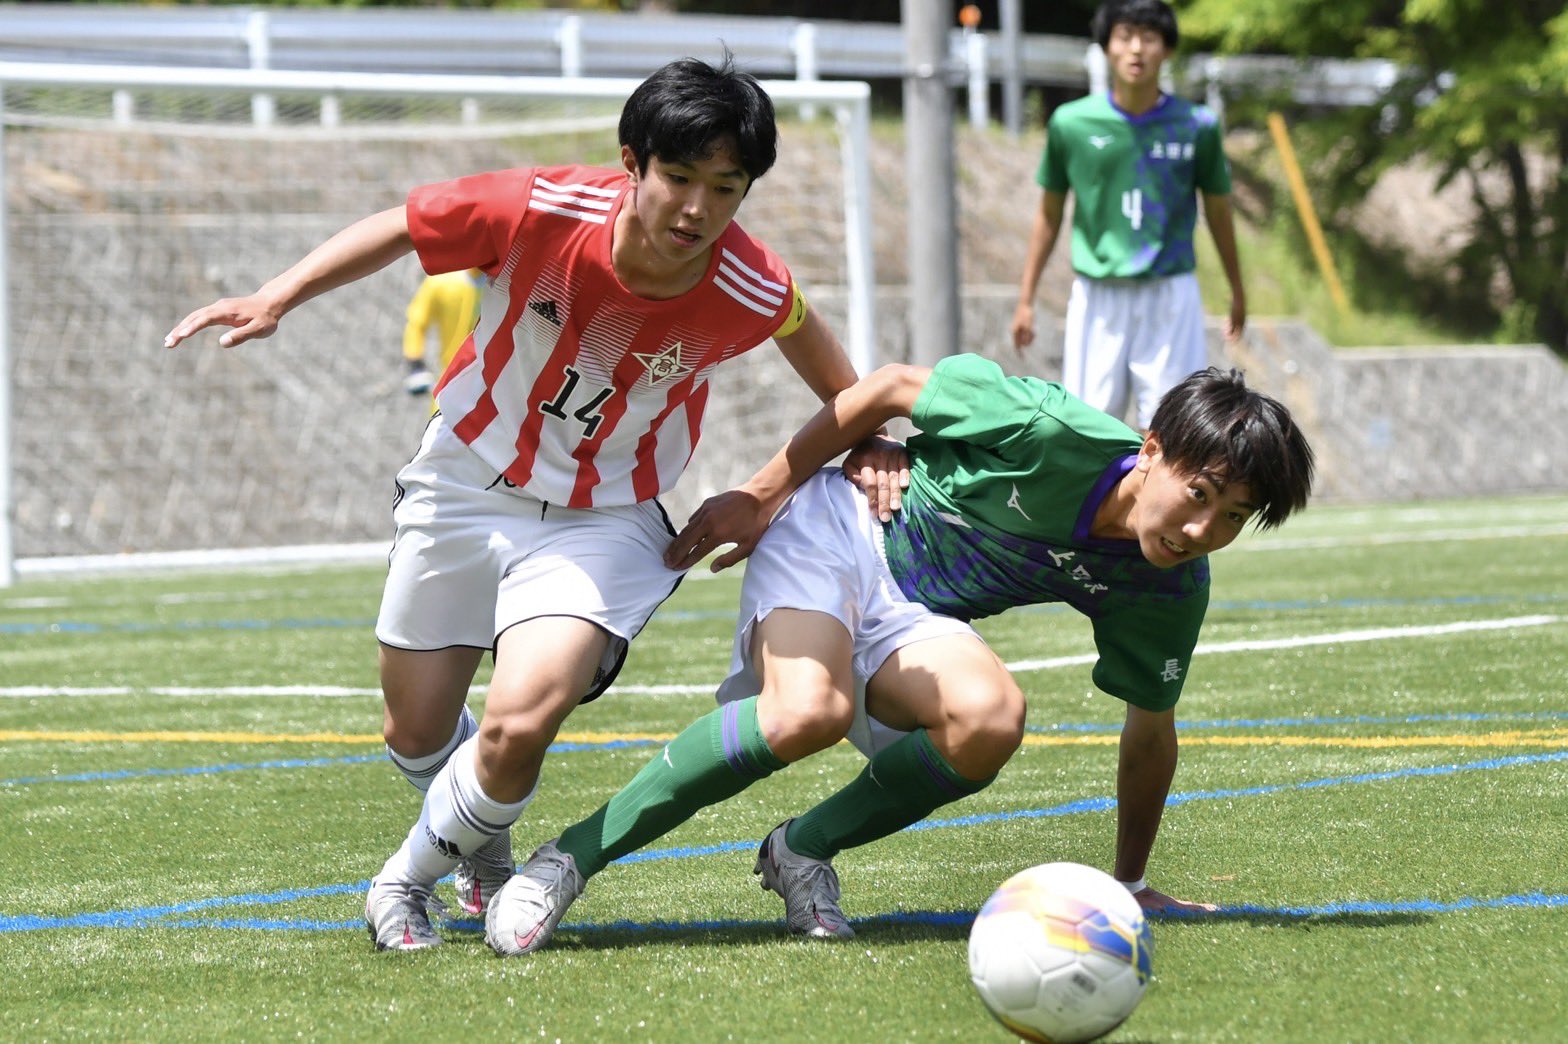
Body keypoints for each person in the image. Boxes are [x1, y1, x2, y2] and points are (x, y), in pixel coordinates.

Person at [164, 55, 902, 952]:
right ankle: (482, 843)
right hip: (464, 484)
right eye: (677, 177)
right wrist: (278, 295)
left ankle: (403, 883)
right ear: (632, 161)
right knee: (415, 730)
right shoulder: (542, 208)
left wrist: (857, 442)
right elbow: (403, 226)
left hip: (604, 518)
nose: (697, 209)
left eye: (726, 187)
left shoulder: (746, 282)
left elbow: (821, 356)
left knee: (521, 718)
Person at [485, 354, 1314, 955]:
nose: (1202, 530)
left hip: (912, 612)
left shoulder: (1170, 587)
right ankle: (569, 859)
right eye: (1200, 496)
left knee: (991, 719)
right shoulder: (1047, 428)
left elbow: (1149, 731)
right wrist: (766, 492)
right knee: (806, 712)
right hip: (838, 531)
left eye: (1235, 518)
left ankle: (800, 850)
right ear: (1153, 449)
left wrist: (1129, 883)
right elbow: (885, 386)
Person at [1011, 0, 1245, 430]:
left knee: (1174, 431)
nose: (1136, 49)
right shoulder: (1071, 123)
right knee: (1086, 429)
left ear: (1167, 49)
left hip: (1170, 294)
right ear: (1106, 47)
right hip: (1098, 295)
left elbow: (1218, 210)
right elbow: (1049, 213)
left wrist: (1236, 288)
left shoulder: (1197, 125)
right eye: (1125, 36)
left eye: (1149, 37)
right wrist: (1027, 298)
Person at [401, 268, 486, 397]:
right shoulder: (441, 282)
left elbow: (416, 324)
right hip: (450, 382)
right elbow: (417, 324)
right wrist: (416, 365)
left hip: (488, 382)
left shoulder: (501, 282)